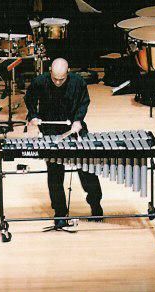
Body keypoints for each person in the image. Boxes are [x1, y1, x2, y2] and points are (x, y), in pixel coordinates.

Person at [24, 58, 103, 228]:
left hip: (74, 129)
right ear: (50, 70)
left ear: (67, 72)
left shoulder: (78, 82)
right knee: (54, 173)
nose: (58, 82)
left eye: (62, 79)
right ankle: (60, 211)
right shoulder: (39, 82)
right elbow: (29, 99)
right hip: (51, 131)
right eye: (55, 78)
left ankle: (95, 203)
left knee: (88, 169)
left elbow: (84, 103)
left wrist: (78, 120)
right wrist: (33, 116)